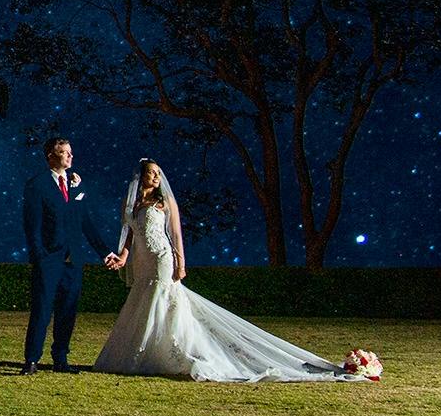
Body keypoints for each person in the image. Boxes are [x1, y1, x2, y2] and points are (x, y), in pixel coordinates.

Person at [93, 159, 358, 381]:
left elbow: (175, 234)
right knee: (143, 301)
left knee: (163, 301)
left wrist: (181, 263)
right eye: (151, 172)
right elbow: (129, 234)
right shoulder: (132, 205)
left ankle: (170, 352)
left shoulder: (165, 203)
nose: (156, 177)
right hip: (143, 261)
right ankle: (142, 352)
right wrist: (124, 257)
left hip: (163, 257)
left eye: (158, 173)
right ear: (141, 176)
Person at [19, 136, 123, 373]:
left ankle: (61, 359)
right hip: (49, 258)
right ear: (51, 156)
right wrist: (39, 256)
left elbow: (85, 222)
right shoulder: (37, 185)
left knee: (68, 310)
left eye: (70, 152)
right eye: (64, 152)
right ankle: (32, 360)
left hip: (73, 259)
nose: (70, 156)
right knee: (42, 310)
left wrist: (105, 252)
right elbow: (32, 225)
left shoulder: (77, 184)